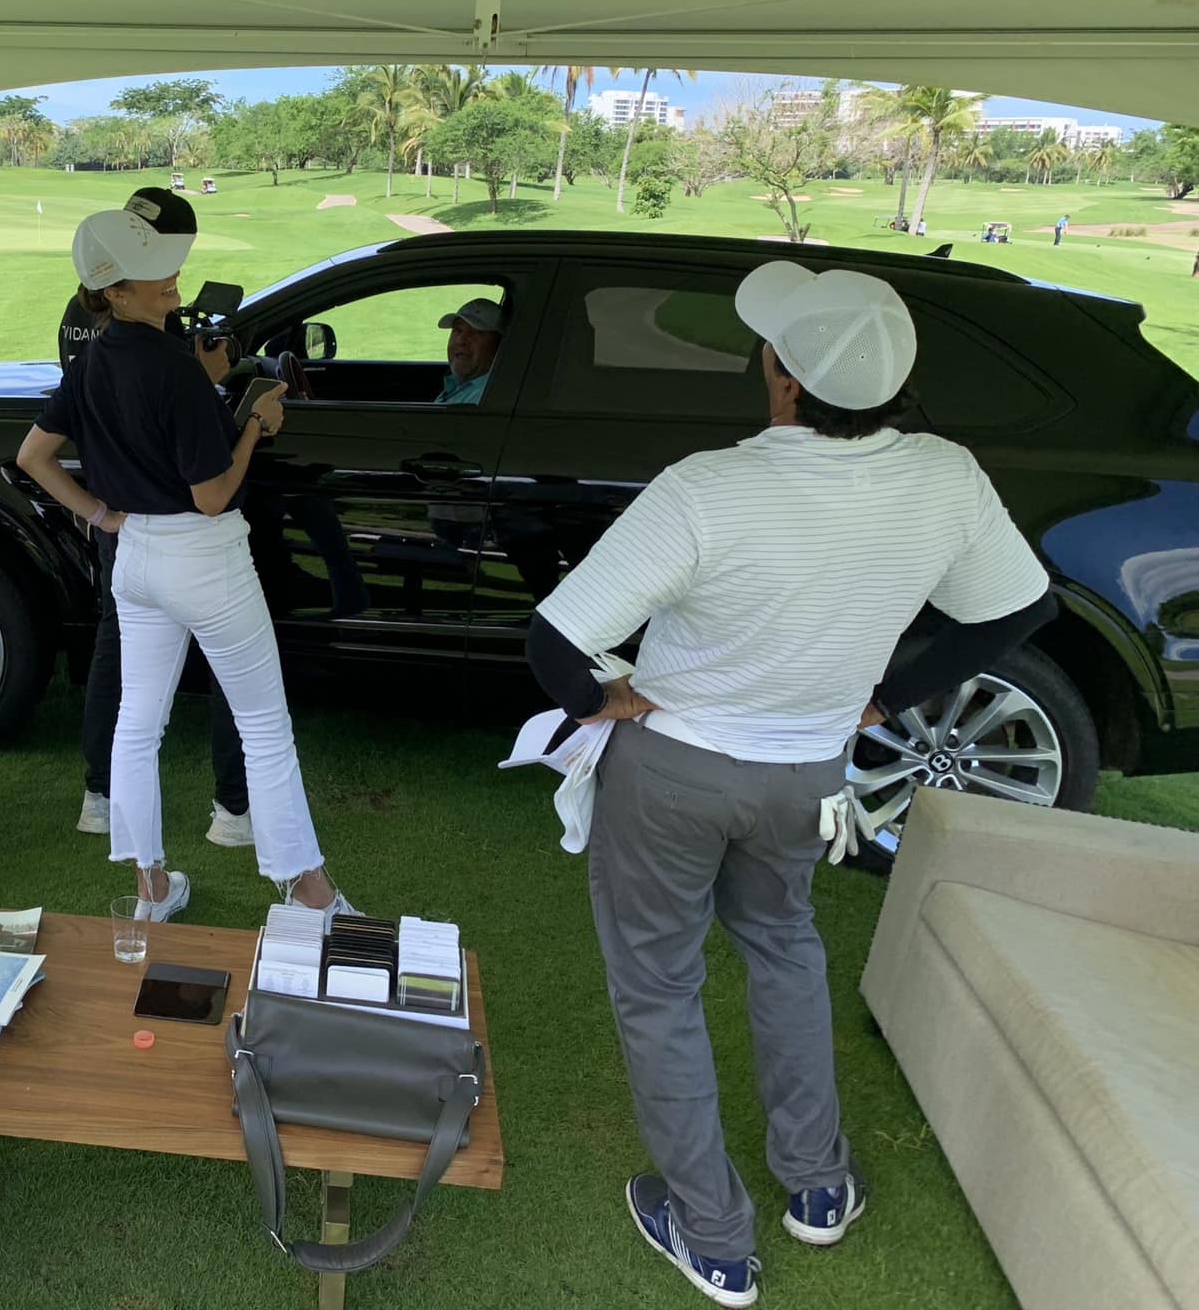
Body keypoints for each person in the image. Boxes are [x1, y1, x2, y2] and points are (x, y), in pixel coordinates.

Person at [526, 260, 1055, 1307]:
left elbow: (553, 642)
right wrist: (883, 701)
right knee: (782, 947)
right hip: (808, 773)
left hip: (674, 771)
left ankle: (713, 1234)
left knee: (658, 986)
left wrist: (602, 702)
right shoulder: (944, 475)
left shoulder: (707, 485)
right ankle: (816, 1185)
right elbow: (1017, 610)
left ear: (781, 374)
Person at [17, 204, 353, 925]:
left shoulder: (93, 359)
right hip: (205, 559)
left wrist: (100, 515)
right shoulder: (174, 369)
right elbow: (212, 495)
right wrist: (255, 424)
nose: (172, 277)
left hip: (135, 558)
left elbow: (33, 456)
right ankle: (310, 893)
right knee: (264, 727)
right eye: (153, 271)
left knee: (138, 725)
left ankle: (152, 888)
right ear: (115, 290)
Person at [57, 187, 253, 847]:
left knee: (122, 663)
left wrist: (96, 511)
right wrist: (221, 391)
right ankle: (234, 811)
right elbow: (187, 446)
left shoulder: (88, 307)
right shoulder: (155, 337)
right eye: (168, 256)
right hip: (184, 527)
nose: (174, 270)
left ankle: (102, 799)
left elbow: (87, 418)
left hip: (123, 522)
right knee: (228, 663)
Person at [435, 298, 504, 405]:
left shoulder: (484, 398)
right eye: (458, 330)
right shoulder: (459, 385)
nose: (461, 340)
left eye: (476, 332)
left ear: (500, 343)